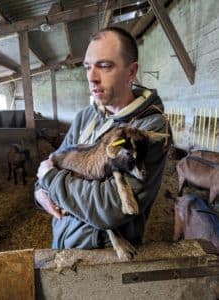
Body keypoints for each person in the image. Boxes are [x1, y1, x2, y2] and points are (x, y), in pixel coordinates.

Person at [35, 26, 171, 250]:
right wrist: (39, 191)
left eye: (104, 66)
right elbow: (53, 164)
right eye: (88, 67)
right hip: (62, 241)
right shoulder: (86, 116)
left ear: (131, 72)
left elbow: (110, 207)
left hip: (104, 255)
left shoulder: (148, 129)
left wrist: (51, 182)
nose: (91, 77)